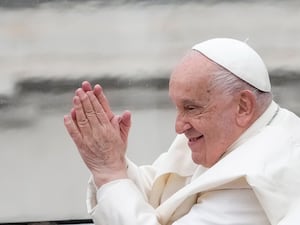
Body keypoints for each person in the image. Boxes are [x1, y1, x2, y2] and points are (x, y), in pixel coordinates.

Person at [64, 38, 300, 225]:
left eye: (191, 108)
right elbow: (157, 193)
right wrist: (114, 160)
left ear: (243, 106)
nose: (179, 126)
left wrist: (109, 172)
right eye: (177, 108)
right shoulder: (228, 136)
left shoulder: (259, 179)